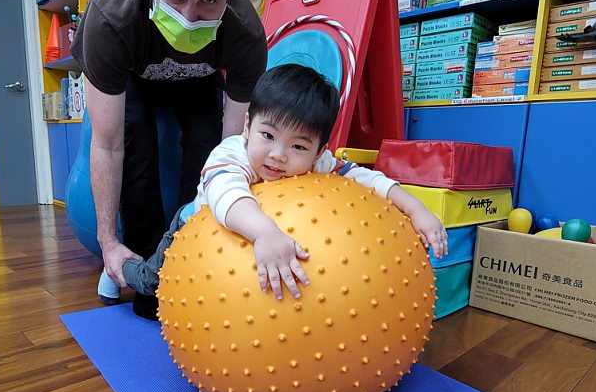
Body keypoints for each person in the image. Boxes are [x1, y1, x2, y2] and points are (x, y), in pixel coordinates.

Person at [121, 64, 448, 312]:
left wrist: (414, 207)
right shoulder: (231, 154)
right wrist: (265, 233)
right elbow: (228, 196)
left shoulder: (317, 162)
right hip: (192, 226)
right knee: (154, 282)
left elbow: (363, 178)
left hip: (258, 239)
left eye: (298, 146)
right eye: (268, 135)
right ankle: (121, 267)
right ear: (247, 126)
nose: (278, 154)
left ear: (319, 152)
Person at [70, 0, 268, 319]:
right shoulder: (111, 18)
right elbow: (107, 145)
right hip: (134, 69)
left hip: (201, 75)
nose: (188, 18)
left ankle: (191, 259)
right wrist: (107, 242)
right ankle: (137, 268)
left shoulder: (244, 33)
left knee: (205, 147)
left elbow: (231, 150)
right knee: (137, 149)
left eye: (209, 0)